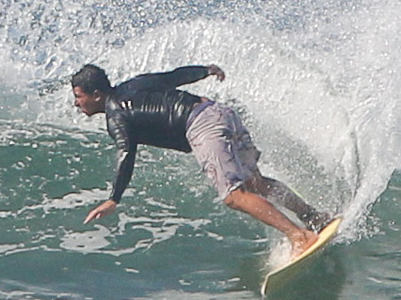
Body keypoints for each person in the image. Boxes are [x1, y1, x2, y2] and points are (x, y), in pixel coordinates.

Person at [70, 63, 333, 258]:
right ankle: (314, 217)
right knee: (255, 183)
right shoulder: (135, 84)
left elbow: (126, 152)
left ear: (96, 94)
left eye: (78, 97)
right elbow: (174, 77)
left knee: (233, 195)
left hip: (201, 125)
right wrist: (205, 70)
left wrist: (113, 198)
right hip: (219, 113)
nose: (76, 104)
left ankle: (300, 236)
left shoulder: (115, 114)